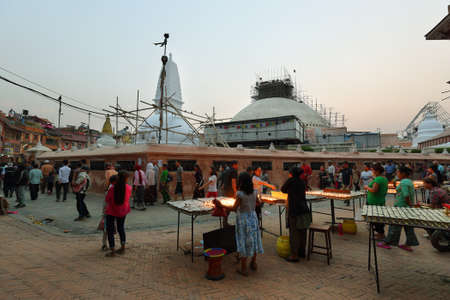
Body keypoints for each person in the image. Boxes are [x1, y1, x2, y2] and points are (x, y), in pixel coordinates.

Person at [230, 172, 264, 276]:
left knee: (243, 240)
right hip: (253, 218)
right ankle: (253, 263)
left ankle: (244, 268)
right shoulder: (254, 192)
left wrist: (220, 205)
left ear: (241, 182)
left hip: (243, 220)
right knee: (253, 239)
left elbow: (234, 208)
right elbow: (258, 203)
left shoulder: (240, 194)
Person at [378, 166, 419, 251]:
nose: (397, 174)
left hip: (401, 206)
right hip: (406, 207)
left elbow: (406, 194)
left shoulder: (404, 182)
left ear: (403, 173)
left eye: (398, 173)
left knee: (394, 225)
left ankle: (387, 242)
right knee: (408, 226)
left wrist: (409, 204)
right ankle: (408, 244)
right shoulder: (408, 181)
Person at [282, 166, 311, 262]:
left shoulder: (291, 181)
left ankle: (294, 255)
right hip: (304, 209)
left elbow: (283, 189)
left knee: (294, 233)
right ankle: (302, 252)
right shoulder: (302, 181)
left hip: (294, 210)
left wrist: (289, 180)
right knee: (303, 231)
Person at [105, 171, 131, 257]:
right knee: (121, 228)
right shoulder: (128, 187)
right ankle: (122, 247)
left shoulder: (112, 188)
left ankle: (112, 250)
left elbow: (107, 199)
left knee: (110, 230)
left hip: (112, 211)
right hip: (123, 210)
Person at [364, 163, 388, 239]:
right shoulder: (383, 178)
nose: (372, 172)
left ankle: (381, 234)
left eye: (373, 170)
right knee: (378, 218)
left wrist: (367, 187)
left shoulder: (378, 179)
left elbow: (374, 190)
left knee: (376, 219)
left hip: (374, 202)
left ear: (377, 171)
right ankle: (380, 233)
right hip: (379, 201)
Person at [101, 174, 118, 251]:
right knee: (108, 228)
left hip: (109, 211)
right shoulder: (112, 189)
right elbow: (107, 202)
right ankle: (105, 244)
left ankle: (105, 243)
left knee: (107, 229)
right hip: (109, 211)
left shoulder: (111, 188)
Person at [222, 161, 238, 226]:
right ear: (234, 165)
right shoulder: (234, 171)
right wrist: (235, 191)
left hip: (226, 191)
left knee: (227, 207)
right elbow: (233, 181)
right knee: (236, 207)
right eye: (237, 165)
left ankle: (225, 222)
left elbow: (224, 181)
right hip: (231, 191)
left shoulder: (226, 171)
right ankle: (240, 222)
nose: (237, 166)